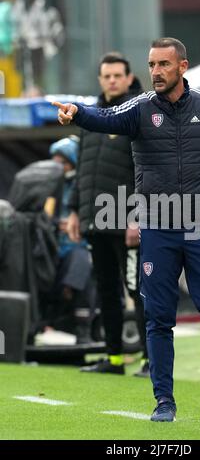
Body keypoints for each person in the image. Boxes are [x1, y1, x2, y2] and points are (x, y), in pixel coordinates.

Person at [53, 37, 200, 422]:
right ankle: (164, 400)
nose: (156, 72)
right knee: (159, 316)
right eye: (151, 65)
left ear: (182, 66)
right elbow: (104, 119)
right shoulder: (140, 109)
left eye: (163, 64)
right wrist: (76, 112)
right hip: (158, 227)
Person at [66, 52, 149, 376]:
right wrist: (75, 211)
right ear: (100, 79)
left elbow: (147, 170)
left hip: (127, 223)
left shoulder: (138, 113)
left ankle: (149, 360)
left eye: (118, 75)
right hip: (95, 220)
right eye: (107, 75)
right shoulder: (89, 116)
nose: (112, 80)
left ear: (129, 78)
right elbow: (83, 168)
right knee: (106, 291)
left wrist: (136, 216)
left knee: (138, 291)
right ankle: (114, 359)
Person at [44, 136, 93, 343]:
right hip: (50, 246)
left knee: (80, 261)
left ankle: (83, 329)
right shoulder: (47, 187)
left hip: (79, 245)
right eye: (55, 162)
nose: (58, 167)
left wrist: (76, 225)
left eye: (63, 162)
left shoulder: (85, 185)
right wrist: (56, 224)